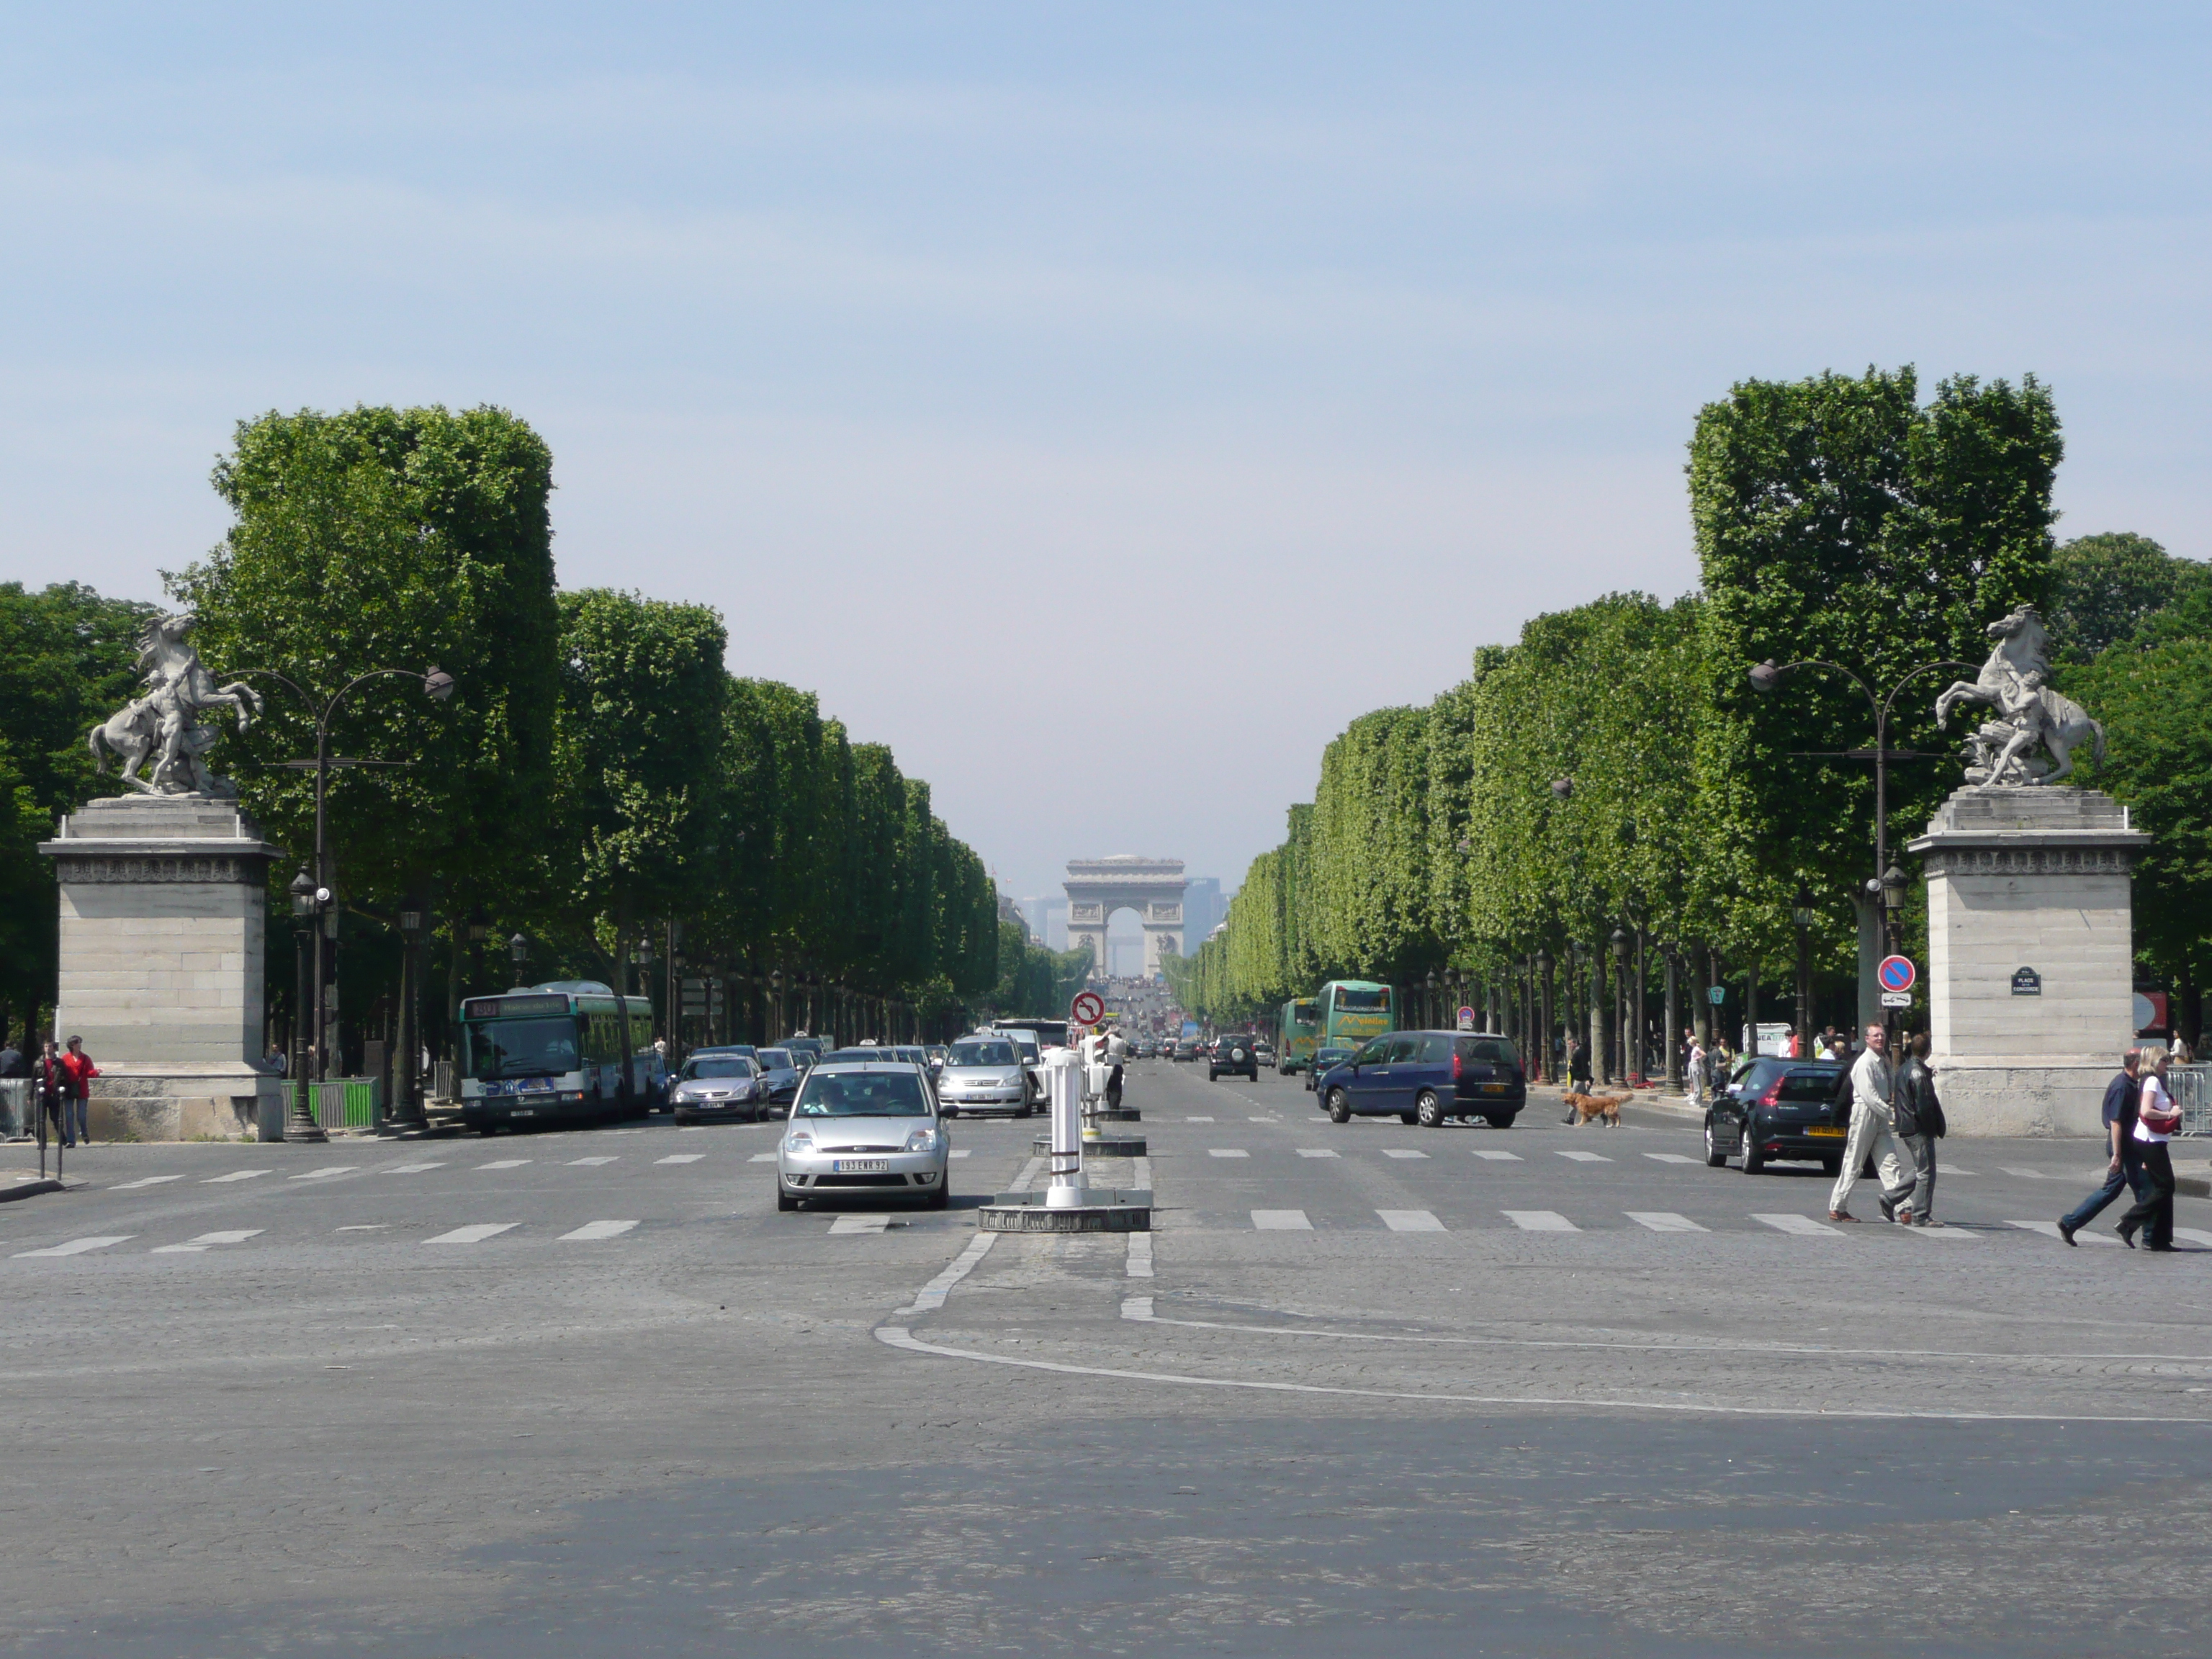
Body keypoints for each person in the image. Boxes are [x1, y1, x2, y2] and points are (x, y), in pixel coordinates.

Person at [2058, 1050, 2147, 1246]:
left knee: (2111, 1191)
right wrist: (2117, 1154)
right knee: (2146, 1191)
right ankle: (2147, 1236)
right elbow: (2115, 1123)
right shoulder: (2122, 1086)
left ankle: (2070, 1223)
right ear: (2135, 1064)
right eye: (2144, 1061)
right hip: (2123, 1147)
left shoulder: (2131, 1083)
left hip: (2127, 1147)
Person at [1827, 1023, 1912, 1223]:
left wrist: (1888, 1109)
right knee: (1854, 1162)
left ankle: (1902, 1206)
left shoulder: (1883, 1060)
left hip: (1879, 1112)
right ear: (1866, 1039)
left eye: (1882, 1035)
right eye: (1875, 1036)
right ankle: (1837, 1207)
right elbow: (1869, 1096)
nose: (1880, 1039)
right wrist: (1890, 1115)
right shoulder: (1864, 1063)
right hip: (1866, 1112)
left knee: (1890, 1163)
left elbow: (1889, 1086)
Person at [2117, 1050, 2180, 1251]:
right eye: (2164, 1060)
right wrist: (2170, 1113)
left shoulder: (2151, 1080)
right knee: (2165, 1187)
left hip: (2153, 1141)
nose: (2168, 1063)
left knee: (2163, 1188)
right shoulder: (2151, 1080)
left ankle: (2158, 1239)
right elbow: (2145, 1111)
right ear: (2154, 1061)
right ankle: (2128, 1223)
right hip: (2150, 1141)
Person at [1889, 1032, 1945, 1226]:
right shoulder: (1918, 1073)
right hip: (1918, 1127)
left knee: (1921, 1169)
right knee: (1926, 1173)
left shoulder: (1905, 1069)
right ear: (1928, 1051)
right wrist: (1933, 1128)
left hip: (1906, 1125)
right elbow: (1924, 1105)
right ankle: (1920, 1215)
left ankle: (1890, 1198)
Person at [58, 1034, 98, 1148]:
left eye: (80, 1043)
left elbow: (90, 1072)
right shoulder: (65, 1058)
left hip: (82, 1090)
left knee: (81, 1116)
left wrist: (96, 1072)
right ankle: (71, 1140)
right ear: (71, 1045)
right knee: (69, 1116)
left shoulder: (85, 1058)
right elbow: (60, 1073)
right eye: (77, 1043)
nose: (79, 1045)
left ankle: (84, 1133)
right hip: (69, 1090)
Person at [32, 1038, 68, 1146]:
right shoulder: (38, 1063)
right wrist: (30, 1096)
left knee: (56, 1119)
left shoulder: (59, 1063)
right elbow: (33, 1079)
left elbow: (64, 1078)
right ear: (44, 1049)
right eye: (46, 1047)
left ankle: (63, 1140)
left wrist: (63, 1091)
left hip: (54, 1094)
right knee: (40, 1120)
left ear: (54, 1048)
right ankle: (42, 1142)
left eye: (50, 1047)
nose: (48, 1049)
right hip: (42, 1095)